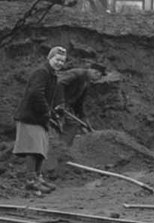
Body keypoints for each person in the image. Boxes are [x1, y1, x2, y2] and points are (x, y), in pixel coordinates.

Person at [13, 46, 68, 194]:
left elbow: (49, 96)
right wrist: (47, 111)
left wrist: (54, 111)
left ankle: (38, 178)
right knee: (33, 148)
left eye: (62, 61)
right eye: (57, 59)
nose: (59, 63)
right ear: (50, 58)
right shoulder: (42, 72)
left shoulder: (52, 75)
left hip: (39, 118)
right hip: (30, 116)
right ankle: (31, 180)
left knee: (40, 149)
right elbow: (36, 93)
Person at [56, 63, 106, 129]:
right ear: (96, 72)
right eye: (100, 76)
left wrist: (83, 118)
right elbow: (59, 83)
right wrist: (60, 102)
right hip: (52, 101)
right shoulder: (77, 74)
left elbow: (79, 103)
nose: (100, 78)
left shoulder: (86, 82)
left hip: (62, 106)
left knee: (72, 125)